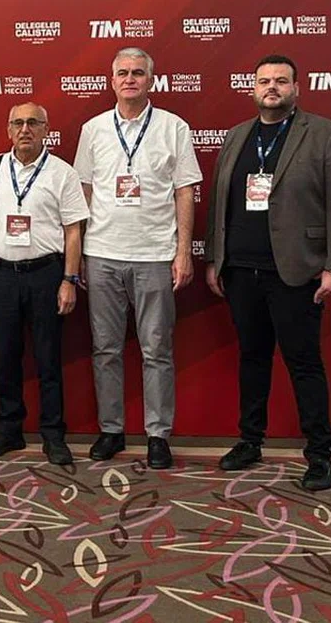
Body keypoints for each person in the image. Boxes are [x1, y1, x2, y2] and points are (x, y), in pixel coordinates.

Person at [205, 55, 331, 492]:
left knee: (303, 364)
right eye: (264, 81)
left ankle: (319, 455)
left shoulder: (325, 133)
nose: (272, 87)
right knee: (252, 359)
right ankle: (250, 441)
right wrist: (215, 258)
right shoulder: (237, 136)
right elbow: (219, 202)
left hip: (296, 271)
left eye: (281, 81)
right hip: (241, 271)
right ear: (253, 88)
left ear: (296, 88)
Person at [73, 48, 201, 469]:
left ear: (151, 79)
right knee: (105, 349)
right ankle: (111, 430)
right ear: (112, 80)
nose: (130, 79)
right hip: (102, 253)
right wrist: (80, 253)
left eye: (138, 73)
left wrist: (183, 251)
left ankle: (158, 435)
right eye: (123, 73)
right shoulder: (93, 129)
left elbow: (185, 190)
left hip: (155, 254)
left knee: (157, 349)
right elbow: (84, 191)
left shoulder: (173, 127)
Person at [0, 102, 88, 465]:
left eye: (33, 123)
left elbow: (73, 231)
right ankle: (8, 429)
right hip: (3, 275)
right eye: (18, 123)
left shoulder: (62, 173)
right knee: (5, 356)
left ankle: (53, 435)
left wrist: (69, 279)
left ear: (46, 129)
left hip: (45, 274)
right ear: (8, 130)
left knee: (47, 358)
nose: (25, 129)